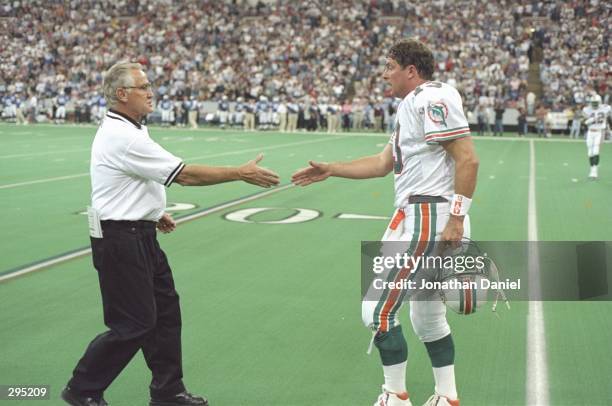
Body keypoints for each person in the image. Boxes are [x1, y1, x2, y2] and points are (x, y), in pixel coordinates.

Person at [61, 62, 280, 406]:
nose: (151, 92)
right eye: (143, 87)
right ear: (121, 94)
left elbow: (131, 177)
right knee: (134, 323)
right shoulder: (124, 135)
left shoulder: (130, 128)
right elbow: (185, 175)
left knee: (164, 315)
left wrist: (151, 211)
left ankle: (167, 391)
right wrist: (240, 172)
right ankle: (83, 388)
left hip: (137, 232)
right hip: (121, 238)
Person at [292, 39, 478, 406]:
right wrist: (331, 169)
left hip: (428, 216)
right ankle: (447, 397)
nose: (384, 73)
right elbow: (381, 164)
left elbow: (468, 159)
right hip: (424, 215)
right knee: (426, 317)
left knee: (376, 310)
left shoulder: (429, 97)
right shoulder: (412, 104)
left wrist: (456, 217)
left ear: (411, 70)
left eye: (390, 66)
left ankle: (396, 396)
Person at [583, 94, 611, 179]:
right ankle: (592, 168)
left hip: (599, 132)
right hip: (590, 132)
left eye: (596, 103)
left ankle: (594, 171)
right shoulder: (586, 109)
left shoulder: (606, 108)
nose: (594, 104)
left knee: (595, 151)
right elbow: (584, 121)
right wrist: (589, 120)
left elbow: (609, 118)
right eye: (593, 103)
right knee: (590, 153)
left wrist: (609, 129)